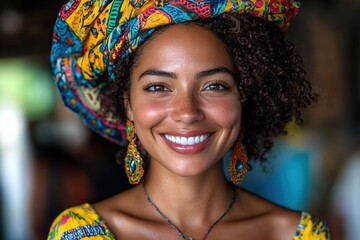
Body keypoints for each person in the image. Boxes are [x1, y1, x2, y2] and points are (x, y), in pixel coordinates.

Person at [48, 0, 331, 239]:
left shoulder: (298, 233)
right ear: (128, 105)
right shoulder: (82, 232)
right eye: (158, 87)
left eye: (215, 86)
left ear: (244, 98)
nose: (187, 112)